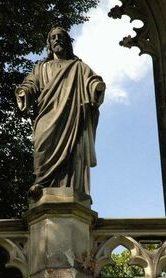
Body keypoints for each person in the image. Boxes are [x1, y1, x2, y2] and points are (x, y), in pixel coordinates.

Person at [15, 27, 105, 200]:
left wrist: (96, 87)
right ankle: (41, 183)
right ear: (49, 44)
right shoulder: (40, 68)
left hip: (72, 117)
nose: (57, 39)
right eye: (53, 37)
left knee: (72, 154)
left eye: (60, 37)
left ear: (67, 42)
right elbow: (30, 84)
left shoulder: (79, 67)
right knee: (42, 148)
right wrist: (24, 92)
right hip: (46, 116)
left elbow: (92, 81)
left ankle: (72, 190)